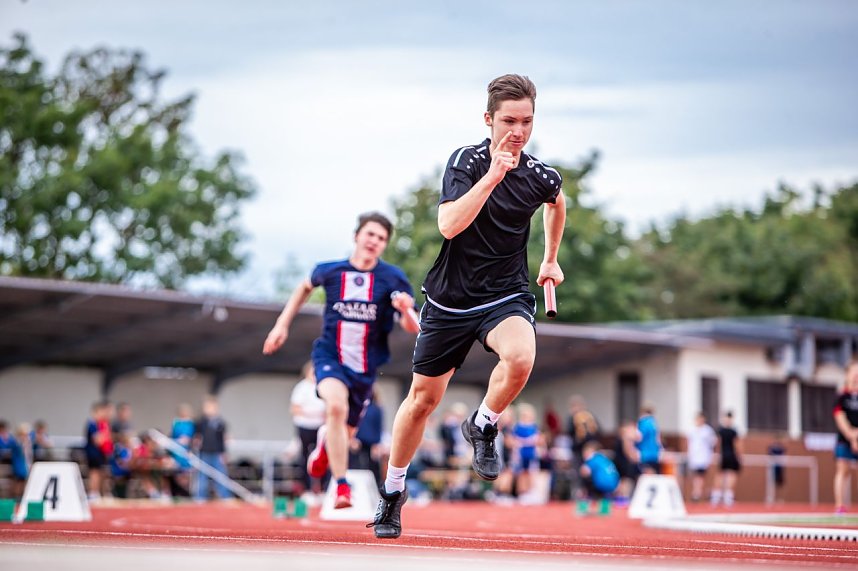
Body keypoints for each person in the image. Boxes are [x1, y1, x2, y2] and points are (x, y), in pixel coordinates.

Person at [371, 74, 566, 539]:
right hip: (450, 299)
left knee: (521, 357)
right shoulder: (466, 161)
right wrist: (495, 175)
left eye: (527, 121)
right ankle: (393, 495)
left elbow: (557, 202)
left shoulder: (541, 174)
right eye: (509, 121)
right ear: (489, 119)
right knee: (423, 402)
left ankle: (483, 425)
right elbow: (449, 225)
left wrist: (550, 259)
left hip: (506, 294)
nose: (518, 131)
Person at [263, 212, 420, 510]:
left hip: (365, 366)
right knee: (335, 406)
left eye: (382, 238)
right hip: (329, 356)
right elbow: (304, 286)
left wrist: (406, 309)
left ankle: (325, 445)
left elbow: (411, 326)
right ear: (357, 236)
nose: (375, 241)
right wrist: (281, 325)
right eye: (370, 234)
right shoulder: (331, 270)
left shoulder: (392, 278)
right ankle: (341, 486)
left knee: (346, 432)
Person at [290, 361, 327, 497]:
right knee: (305, 457)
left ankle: (322, 489)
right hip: (304, 426)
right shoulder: (301, 388)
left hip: (320, 427)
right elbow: (295, 409)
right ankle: (306, 489)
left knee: (322, 457)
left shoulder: (323, 387)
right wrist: (313, 413)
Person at [193, 395, 230, 501]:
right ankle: (200, 497)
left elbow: (222, 440)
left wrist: (223, 454)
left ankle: (225, 496)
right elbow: (196, 436)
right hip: (204, 452)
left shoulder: (220, 423)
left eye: (212, 407)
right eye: (207, 407)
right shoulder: (200, 422)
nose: (209, 410)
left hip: (217, 453)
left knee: (221, 476)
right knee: (202, 476)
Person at [833, 361, 858, 515]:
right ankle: (840, 505)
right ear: (848, 374)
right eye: (854, 371)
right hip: (845, 439)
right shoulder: (842, 396)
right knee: (843, 470)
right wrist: (852, 436)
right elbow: (839, 417)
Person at [351, 387, 384, 486]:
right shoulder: (356, 406)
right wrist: (352, 439)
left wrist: (377, 444)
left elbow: (379, 427)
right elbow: (351, 423)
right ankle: (355, 487)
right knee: (356, 465)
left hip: (371, 442)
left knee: (373, 467)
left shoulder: (376, 408)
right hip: (357, 441)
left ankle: (377, 488)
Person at [577, 440, 620, 516]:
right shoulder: (605, 459)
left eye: (586, 451)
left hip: (601, 485)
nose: (584, 454)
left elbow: (584, 471)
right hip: (613, 485)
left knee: (584, 483)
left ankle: (582, 508)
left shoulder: (593, 459)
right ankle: (605, 509)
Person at [711, 410, 742, 507]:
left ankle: (717, 497)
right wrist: (739, 456)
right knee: (729, 475)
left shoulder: (722, 430)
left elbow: (717, 444)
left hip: (724, 455)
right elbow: (738, 445)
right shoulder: (732, 431)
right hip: (729, 455)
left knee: (722, 475)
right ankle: (725, 497)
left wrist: (716, 454)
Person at [511, 402, 541, 500]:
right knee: (521, 473)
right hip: (521, 452)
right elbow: (514, 439)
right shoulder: (518, 426)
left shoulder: (534, 426)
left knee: (530, 472)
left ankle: (529, 492)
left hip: (530, 452)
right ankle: (521, 493)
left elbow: (537, 439)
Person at [686, 411, 717, 502]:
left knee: (701, 475)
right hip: (694, 456)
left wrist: (711, 455)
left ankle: (697, 493)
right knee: (695, 475)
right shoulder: (691, 430)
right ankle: (696, 492)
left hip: (704, 456)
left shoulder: (707, 430)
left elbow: (713, 443)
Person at [613, 419, 640, 505]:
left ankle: (622, 497)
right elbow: (627, 452)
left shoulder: (623, 437)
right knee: (626, 480)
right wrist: (634, 458)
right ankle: (623, 497)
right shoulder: (626, 437)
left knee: (625, 480)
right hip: (624, 462)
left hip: (620, 461)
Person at [636, 403, 662, 475]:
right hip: (655, 454)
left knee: (646, 476)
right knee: (653, 475)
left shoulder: (643, 422)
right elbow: (658, 440)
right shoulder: (654, 423)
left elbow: (639, 437)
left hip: (645, 454)